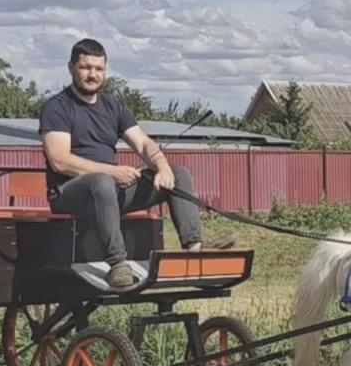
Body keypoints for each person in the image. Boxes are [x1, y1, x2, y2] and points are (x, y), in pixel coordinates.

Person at [39, 38, 232, 288]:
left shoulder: (113, 107)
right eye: (86, 67)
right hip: (69, 193)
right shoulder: (57, 108)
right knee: (101, 182)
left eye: (98, 69)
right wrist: (113, 172)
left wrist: (161, 167)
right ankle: (118, 264)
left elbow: (143, 144)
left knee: (178, 173)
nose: (92, 74)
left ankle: (195, 250)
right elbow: (59, 161)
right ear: (71, 68)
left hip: (108, 192)